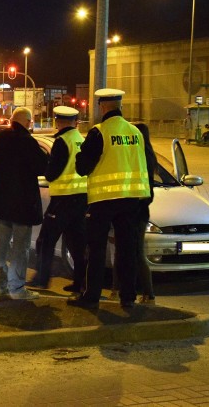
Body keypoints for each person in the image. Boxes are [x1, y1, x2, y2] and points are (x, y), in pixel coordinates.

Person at [68, 88, 151, 309]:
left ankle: (91, 296)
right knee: (127, 249)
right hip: (132, 200)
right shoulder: (136, 132)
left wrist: (79, 155)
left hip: (103, 200)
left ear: (102, 107)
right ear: (120, 106)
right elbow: (145, 164)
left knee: (96, 248)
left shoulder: (99, 132)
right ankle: (128, 297)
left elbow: (83, 167)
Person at [0, 107, 48, 300]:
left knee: (1, 245)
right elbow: (42, 166)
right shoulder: (27, 142)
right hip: (22, 204)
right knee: (20, 247)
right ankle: (17, 288)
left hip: (1, 203)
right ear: (27, 122)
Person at [26, 106, 88, 292]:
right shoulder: (80, 140)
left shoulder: (62, 141)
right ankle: (80, 283)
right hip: (81, 199)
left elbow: (53, 173)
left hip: (62, 200)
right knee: (76, 244)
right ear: (74, 122)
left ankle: (42, 279)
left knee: (45, 240)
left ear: (58, 121)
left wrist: (45, 173)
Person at [109, 123, 157, 304]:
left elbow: (143, 191)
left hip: (132, 211)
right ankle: (122, 290)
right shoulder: (146, 156)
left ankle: (144, 293)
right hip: (136, 210)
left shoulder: (139, 156)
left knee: (129, 252)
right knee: (128, 252)